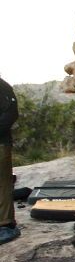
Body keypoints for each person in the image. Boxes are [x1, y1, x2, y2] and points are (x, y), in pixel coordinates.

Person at [0, 76, 19, 245]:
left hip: (0, 143)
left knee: (2, 183)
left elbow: (11, 114)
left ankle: (5, 224)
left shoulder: (2, 87)